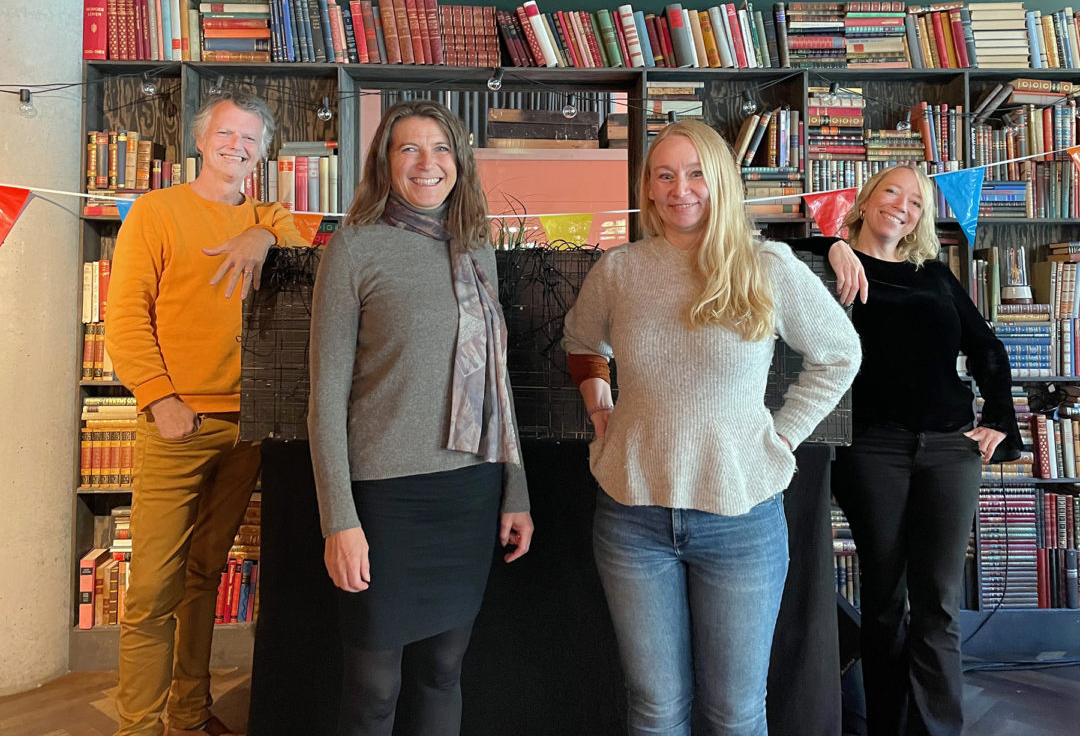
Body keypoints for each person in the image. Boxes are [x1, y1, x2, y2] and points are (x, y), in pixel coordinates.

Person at [562, 119, 861, 736]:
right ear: (648, 186)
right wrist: (600, 407)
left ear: (722, 181)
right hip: (632, 516)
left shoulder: (766, 265)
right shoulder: (619, 270)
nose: (681, 189)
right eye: (665, 175)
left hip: (741, 521)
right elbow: (581, 341)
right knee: (654, 709)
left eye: (697, 173)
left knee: (733, 712)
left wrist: (782, 434)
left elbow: (840, 352)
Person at [306, 99, 533, 736]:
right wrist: (339, 520)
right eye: (409, 148)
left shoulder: (478, 251)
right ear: (386, 162)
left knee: (444, 669)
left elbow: (498, 388)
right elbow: (325, 396)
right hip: (383, 499)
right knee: (373, 690)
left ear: (459, 162)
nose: (427, 163)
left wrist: (515, 491)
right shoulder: (354, 248)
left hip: (469, 490)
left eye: (440, 149)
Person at [788, 164, 1022, 736]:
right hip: (873, 449)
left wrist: (999, 420)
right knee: (885, 599)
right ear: (867, 201)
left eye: (916, 202)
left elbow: (988, 348)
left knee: (938, 602)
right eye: (892, 191)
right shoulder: (823, 266)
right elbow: (761, 250)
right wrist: (829, 245)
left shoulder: (935, 275)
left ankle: (940, 730)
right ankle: (885, 727)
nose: (903, 206)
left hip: (948, 449)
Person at [106, 92, 307, 736]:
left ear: (263, 151)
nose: (237, 146)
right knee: (151, 590)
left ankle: (188, 713)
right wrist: (159, 399)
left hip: (248, 426)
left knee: (205, 573)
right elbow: (126, 317)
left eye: (251, 139)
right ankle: (138, 725)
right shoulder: (156, 212)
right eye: (227, 134)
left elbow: (304, 242)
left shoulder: (267, 214)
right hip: (177, 424)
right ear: (201, 140)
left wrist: (260, 230)